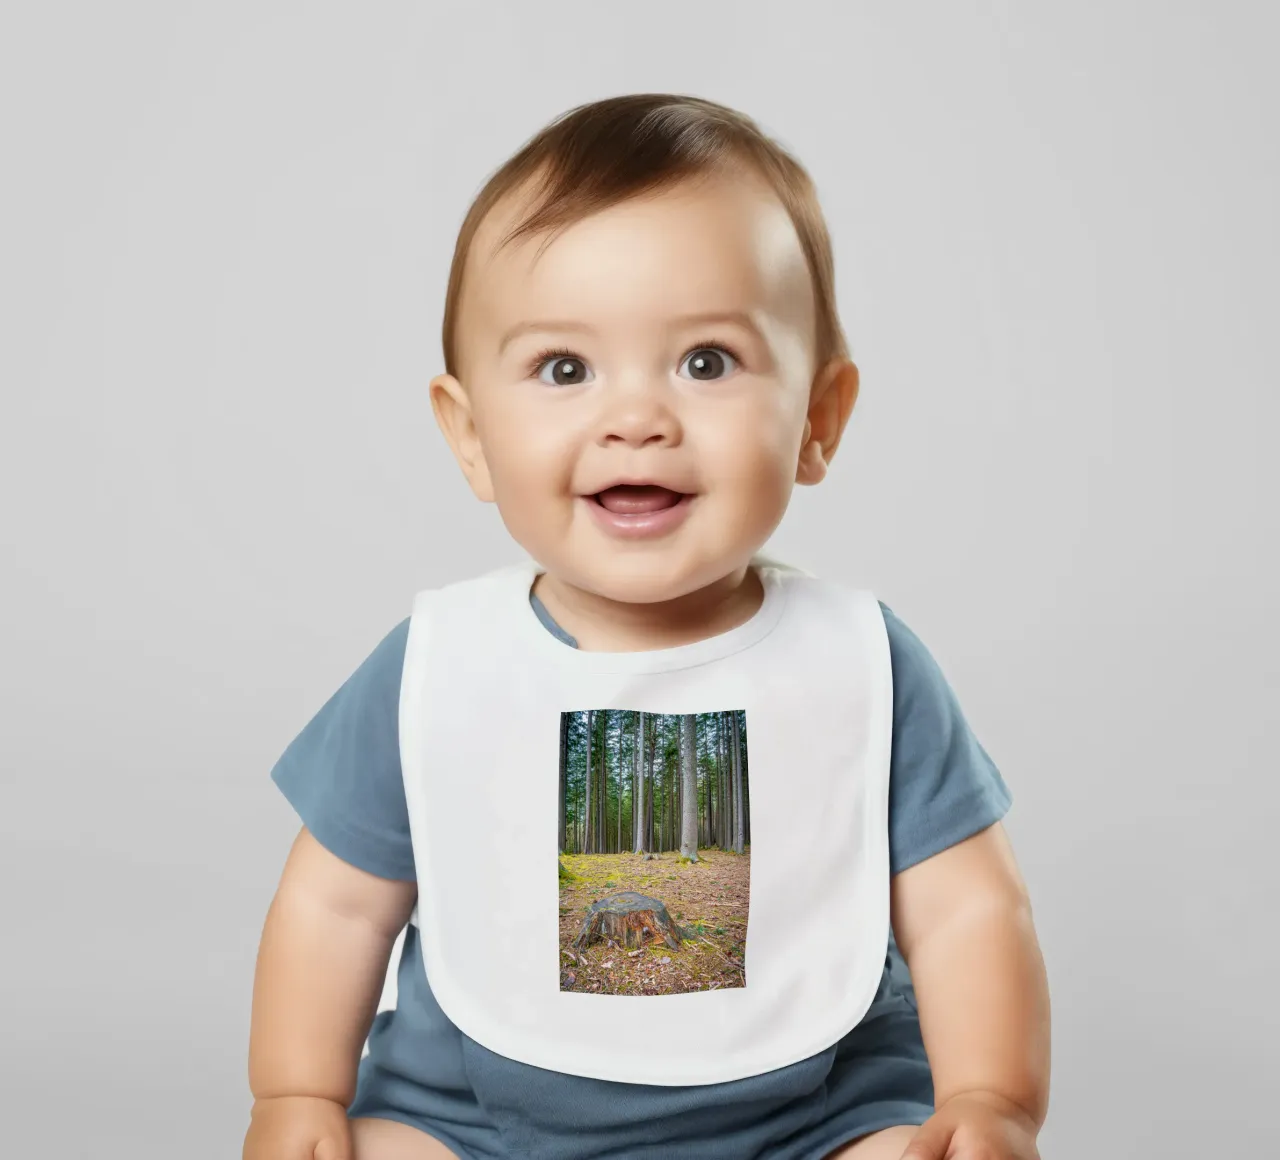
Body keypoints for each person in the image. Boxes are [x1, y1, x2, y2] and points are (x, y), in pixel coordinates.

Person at [243, 93, 1051, 1160]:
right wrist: (296, 1091)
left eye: (706, 361)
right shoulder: (436, 667)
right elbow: (336, 906)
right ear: (470, 434)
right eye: (564, 369)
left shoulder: (863, 664)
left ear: (817, 416)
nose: (636, 417)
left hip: (812, 1116)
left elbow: (963, 908)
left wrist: (993, 1097)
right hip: (474, 1118)